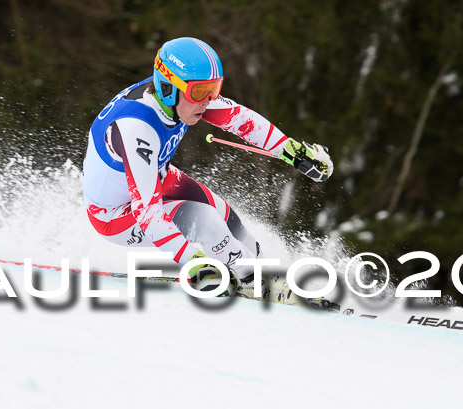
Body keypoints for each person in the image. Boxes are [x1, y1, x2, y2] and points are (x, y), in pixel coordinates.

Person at [82, 37, 333, 303]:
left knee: (227, 218)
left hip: (157, 179)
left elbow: (239, 118)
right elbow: (147, 213)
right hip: (115, 215)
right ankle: (255, 282)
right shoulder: (136, 127)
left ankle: (266, 277)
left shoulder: (180, 97)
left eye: (214, 89)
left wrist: (290, 150)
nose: (208, 101)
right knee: (204, 220)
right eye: (201, 93)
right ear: (169, 89)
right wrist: (192, 261)